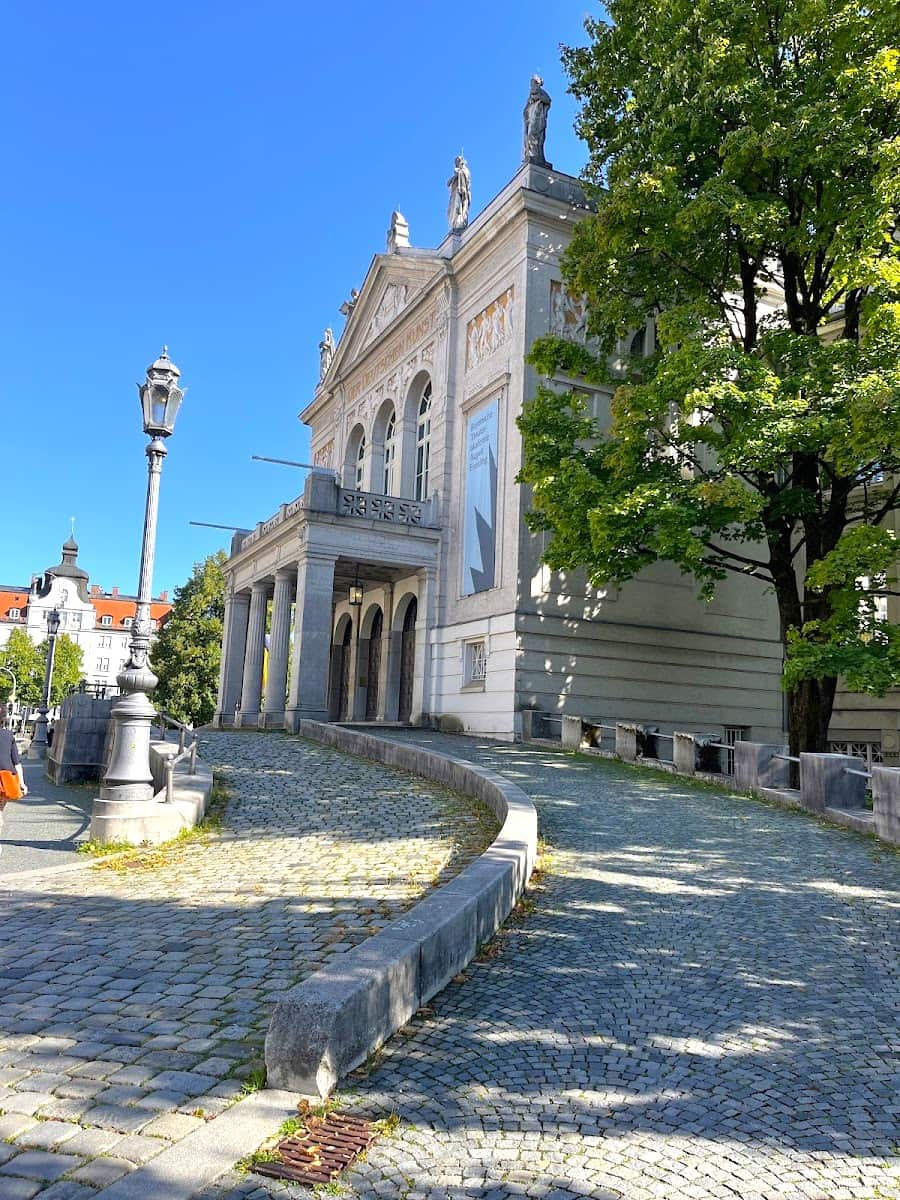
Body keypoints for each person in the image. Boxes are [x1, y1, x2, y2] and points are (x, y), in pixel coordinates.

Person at [0, 703, 27, 852]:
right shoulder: (8, 735)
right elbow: (16, 762)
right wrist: (22, 783)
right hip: (6, 779)